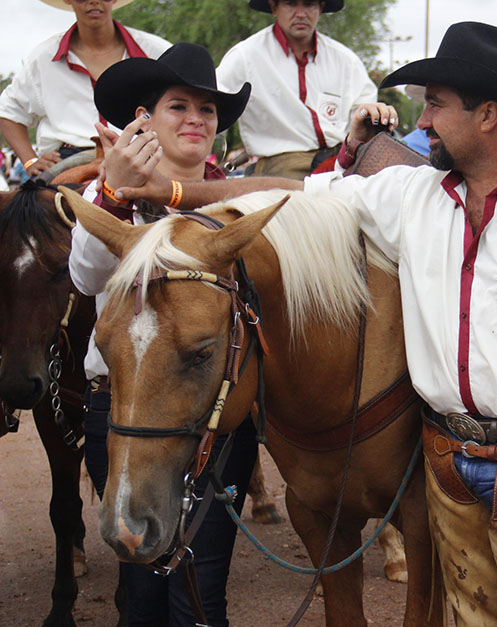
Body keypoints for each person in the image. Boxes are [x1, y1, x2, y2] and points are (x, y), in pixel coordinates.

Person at [106, 21, 497, 625]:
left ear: (487, 116)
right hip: (448, 466)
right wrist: (180, 191)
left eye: (436, 105)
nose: (421, 122)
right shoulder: (413, 196)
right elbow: (290, 195)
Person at [69, 42, 257, 624]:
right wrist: (114, 194)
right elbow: (86, 274)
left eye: (208, 109)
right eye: (180, 106)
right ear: (144, 121)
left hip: (215, 419)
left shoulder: (239, 201)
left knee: (201, 594)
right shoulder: (113, 195)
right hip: (122, 409)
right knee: (142, 594)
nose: (197, 119)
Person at [0, 0, 170, 179]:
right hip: (68, 163)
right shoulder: (43, 57)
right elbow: (9, 112)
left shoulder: (155, 50)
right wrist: (30, 161)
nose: (93, 1)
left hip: (144, 158)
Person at [215, 0, 376, 179]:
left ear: (320, 8)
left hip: (341, 162)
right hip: (280, 167)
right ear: (274, 7)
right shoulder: (246, 56)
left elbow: (365, 109)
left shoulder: (345, 60)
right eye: (290, 3)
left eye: (309, 4)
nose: (300, 13)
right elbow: (211, 101)